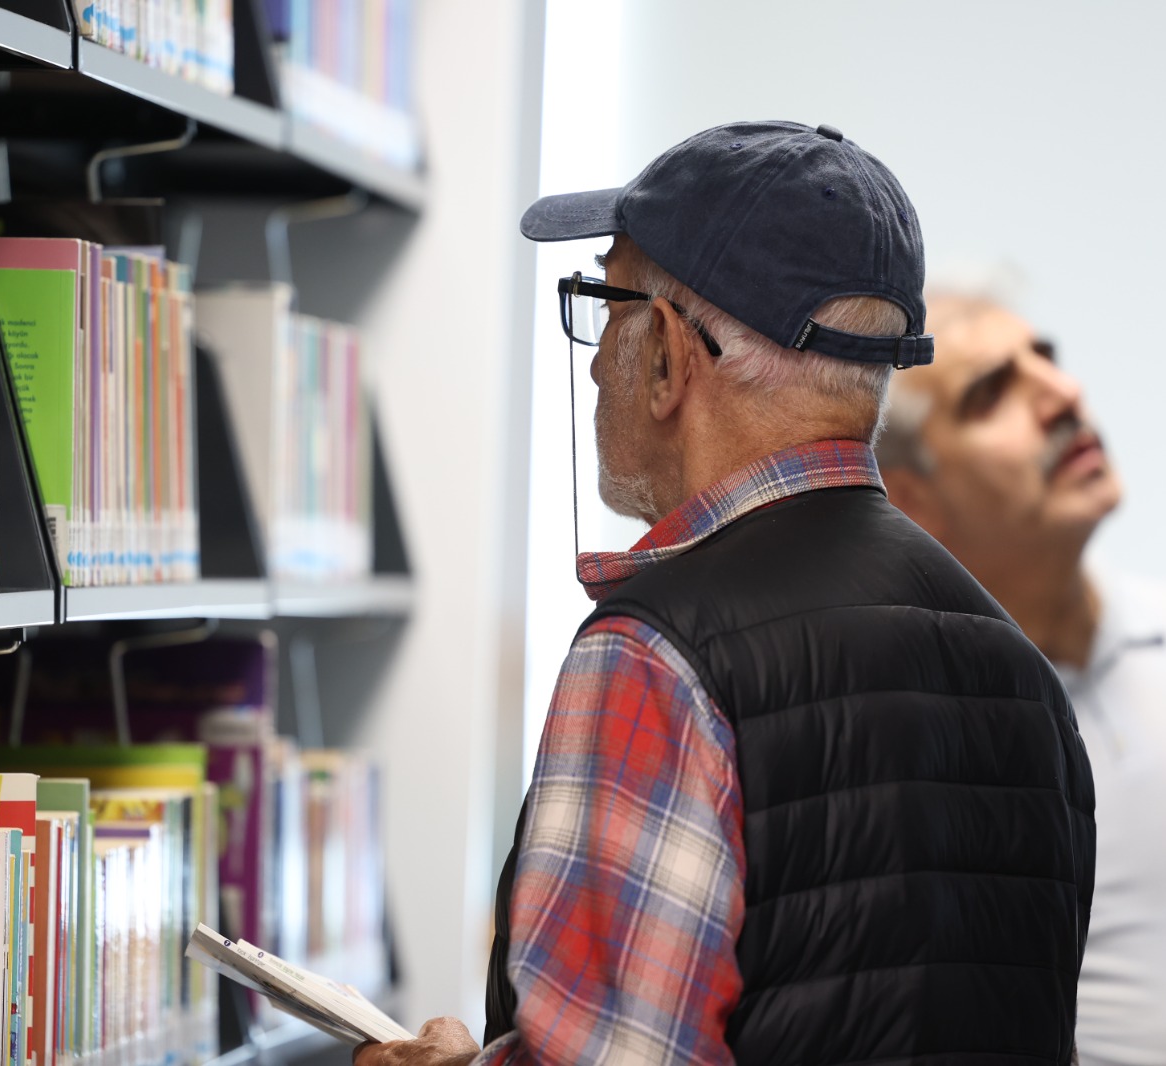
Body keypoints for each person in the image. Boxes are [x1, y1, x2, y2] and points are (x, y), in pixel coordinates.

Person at [356, 121, 1095, 1066]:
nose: (592, 360)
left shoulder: (655, 659)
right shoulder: (1018, 669)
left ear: (667, 353)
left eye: (605, 305)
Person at [874, 292, 1166, 1066]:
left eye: (1046, 359)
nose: (1062, 394)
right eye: (992, 392)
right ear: (911, 499)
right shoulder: (917, 734)